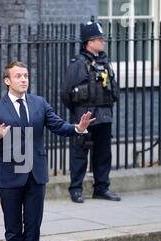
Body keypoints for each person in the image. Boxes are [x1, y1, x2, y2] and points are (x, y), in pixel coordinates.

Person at [0, 61, 95, 241]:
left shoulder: (39, 103)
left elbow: (57, 125)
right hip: (9, 176)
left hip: (36, 175)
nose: (23, 79)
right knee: (13, 227)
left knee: (33, 225)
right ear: (7, 81)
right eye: (18, 76)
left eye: (25, 76)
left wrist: (78, 128)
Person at [60, 21, 121, 204]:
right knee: (80, 152)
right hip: (85, 116)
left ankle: (102, 188)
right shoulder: (78, 64)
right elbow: (65, 93)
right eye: (99, 39)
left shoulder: (105, 62)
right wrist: (78, 112)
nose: (103, 42)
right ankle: (76, 189)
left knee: (103, 154)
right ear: (89, 42)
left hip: (104, 116)